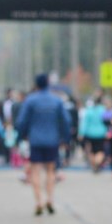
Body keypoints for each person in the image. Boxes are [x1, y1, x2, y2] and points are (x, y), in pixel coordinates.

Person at [16, 73, 70, 216]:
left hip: (35, 140)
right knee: (51, 170)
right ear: (48, 83)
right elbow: (66, 121)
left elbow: (22, 121)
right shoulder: (56, 100)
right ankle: (50, 199)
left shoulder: (30, 100)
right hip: (52, 140)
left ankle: (38, 201)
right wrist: (66, 138)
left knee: (35, 171)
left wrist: (20, 136)